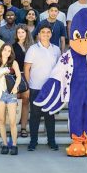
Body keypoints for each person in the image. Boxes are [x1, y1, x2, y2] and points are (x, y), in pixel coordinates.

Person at [24, 23, 60, 151]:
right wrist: (28, 86)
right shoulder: (33, 49)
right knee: (35, 116)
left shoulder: (56, 49)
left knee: (50, 116)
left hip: (50, 89)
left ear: (51, 34)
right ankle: (33, 142)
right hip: (35, 87)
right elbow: (27, 68)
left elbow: (59, 69)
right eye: (43, 32)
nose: (45, 34)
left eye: (48, 32)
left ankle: (52, 141)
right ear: (38, 34)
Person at [0, 43, 22, 155]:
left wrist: (15, 87)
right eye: (5, 50)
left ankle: (14, 144)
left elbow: (18, 76)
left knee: (13, 121)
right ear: (1, 50)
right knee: (2, 120)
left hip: (11, 94)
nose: (6, 52)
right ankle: (4, 144)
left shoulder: (13, 63)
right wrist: (1, 71)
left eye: (9, 51)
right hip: (0, 94)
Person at [13, 25, 33, 139]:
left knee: (26, 102)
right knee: (15, 103)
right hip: (16, 76)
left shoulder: (32, 47)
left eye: (23, 32)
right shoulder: (12, 46)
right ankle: (14, 126)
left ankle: (23, 128)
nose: (20, 34)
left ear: (26, 33)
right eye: (18, 32)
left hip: (29, 76)